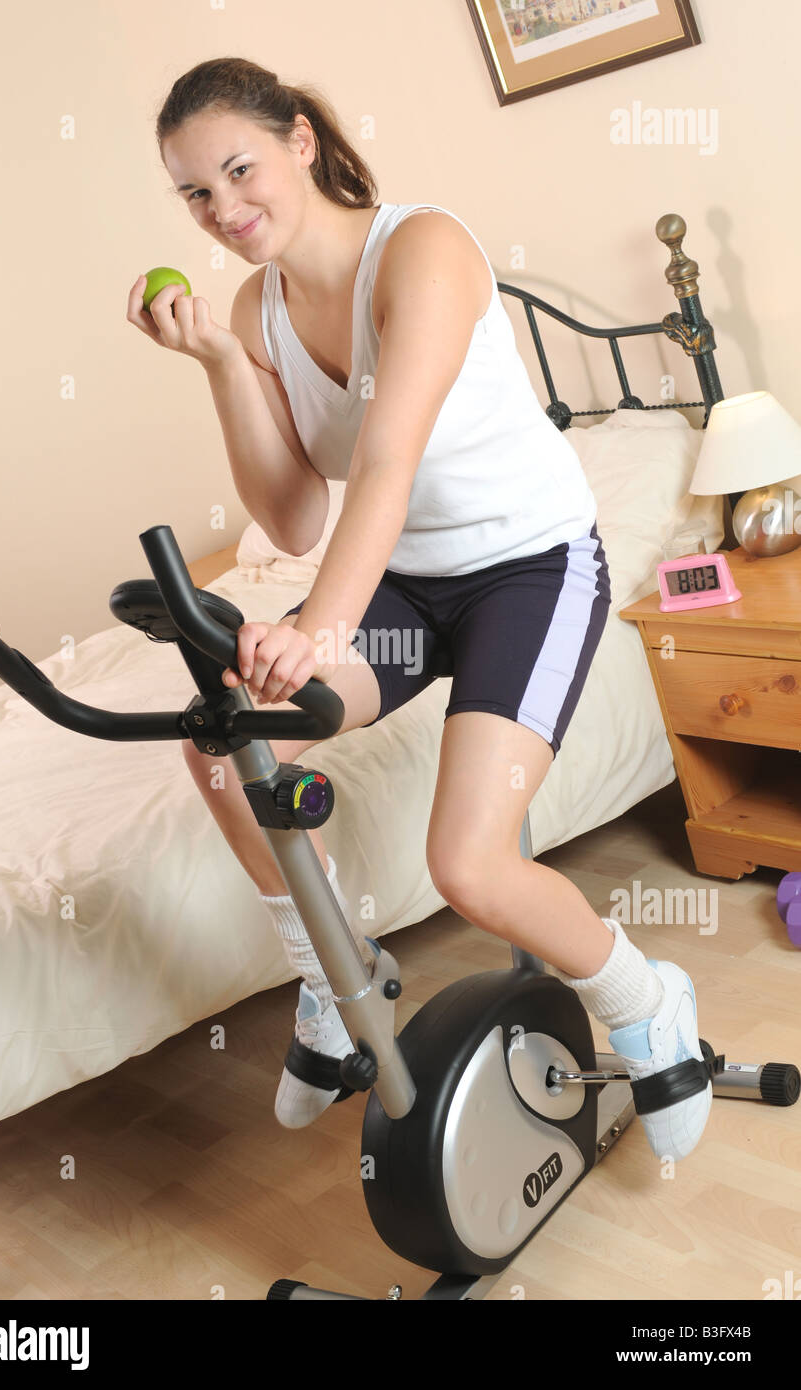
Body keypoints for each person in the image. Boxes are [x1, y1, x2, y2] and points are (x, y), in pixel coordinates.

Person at [127, 56, 711, 1159]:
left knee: (469, 865)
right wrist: (217, 358)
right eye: (194, 193)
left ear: (302, 140)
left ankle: (644, 999)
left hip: (526, 571)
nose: (222, 209)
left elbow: (388, 463)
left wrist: (319, 629)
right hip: (404, 586)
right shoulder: (257, 309)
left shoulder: (424, 251)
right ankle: (335, 974)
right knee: (222, 738)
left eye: (238, 169)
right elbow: (297, 517)